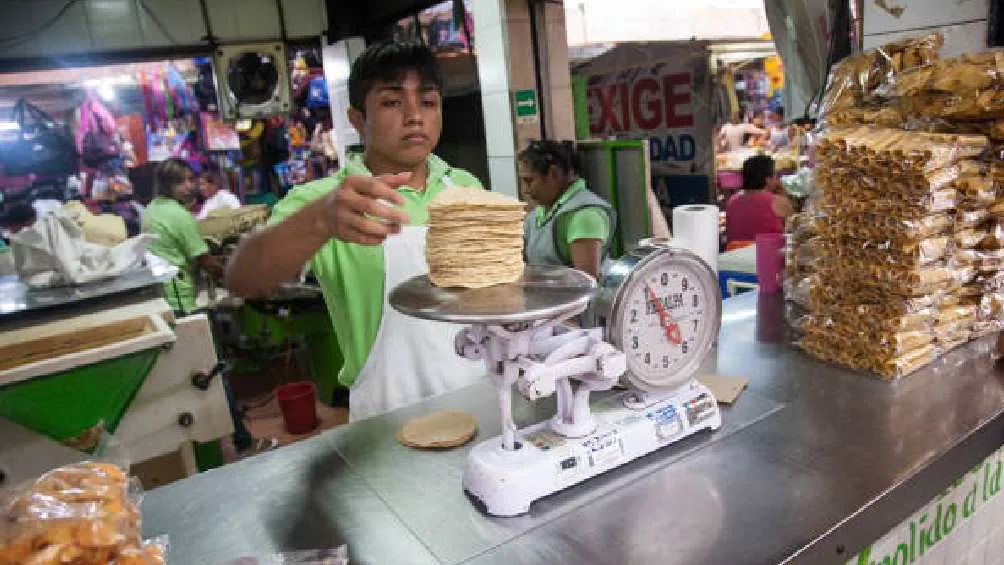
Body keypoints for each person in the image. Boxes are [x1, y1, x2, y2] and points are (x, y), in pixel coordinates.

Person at [225, 41, 486, 421]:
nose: (415, 116)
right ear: (358, 119)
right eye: (392, 102)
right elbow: (241, 277)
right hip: (389, 413)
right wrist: (319, 221)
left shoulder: (465, 187)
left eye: (428, 102)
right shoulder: (325, 201)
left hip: (481, 393)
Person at [518, 140, 615, 279]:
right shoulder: (537, 215)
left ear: (554, 174)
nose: (525, 190)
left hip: (575, 300)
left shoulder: (584, 215)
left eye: (529, 181)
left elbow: (585, 283)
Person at [142, 158, 224, 314]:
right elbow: (206, 262)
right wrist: (233, 277)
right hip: (178, 294)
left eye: (190, 179)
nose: (188, 186)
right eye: (179, 182)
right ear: (166, 185)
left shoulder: (151, 208)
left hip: (159, 292)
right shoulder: (179, 215)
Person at [725, 155, 792, 248]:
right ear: (768, 179)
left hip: (736, 255)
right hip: (768, 257)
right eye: (775, 175)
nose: (777, 179)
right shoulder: (779, 201)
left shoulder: (732, 201)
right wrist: (784, 195)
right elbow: (793, 229)